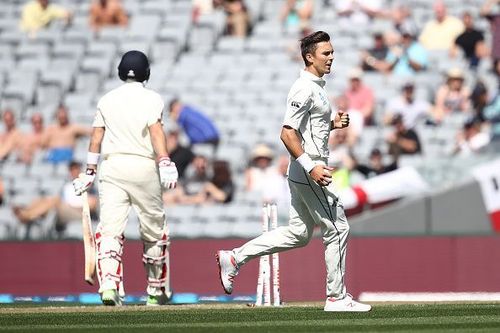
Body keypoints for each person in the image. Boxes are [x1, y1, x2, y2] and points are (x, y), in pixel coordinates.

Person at [216, 31, 371, 312]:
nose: (332, 57)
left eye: (332, 52)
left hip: (304, 170)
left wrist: (333, 123)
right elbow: (287, 134)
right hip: (309, 168)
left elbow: (307, 128)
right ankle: (336, 297)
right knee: (337, 228)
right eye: (326, 53)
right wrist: (312, 167)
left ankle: (236, 257)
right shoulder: (303, 88)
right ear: (309, 57)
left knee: (299, 234)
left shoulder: (316, 87)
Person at [72, 50, 179, 306]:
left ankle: (109, 285)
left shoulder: (107, 99)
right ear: (147, 73)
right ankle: (156, 290)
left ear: (121, 72)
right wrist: (164, 160)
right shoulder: (152, 98)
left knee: (109, 229)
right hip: (142, 167)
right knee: (154, 230)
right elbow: (155, 132)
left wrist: (89, 173)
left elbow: (96, 138)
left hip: (112, 168)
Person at [12, 161, 98, 229]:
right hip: (64, 210)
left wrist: (73, 207)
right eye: (72, 169)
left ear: (79, 169)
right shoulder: (67, 185)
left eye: (76, 169)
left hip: (79, 213)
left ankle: (27, 215)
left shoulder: (88, 184)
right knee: (43, 199)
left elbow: (93, 204)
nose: (74, 171)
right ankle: (26, 211)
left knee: (55, 200)